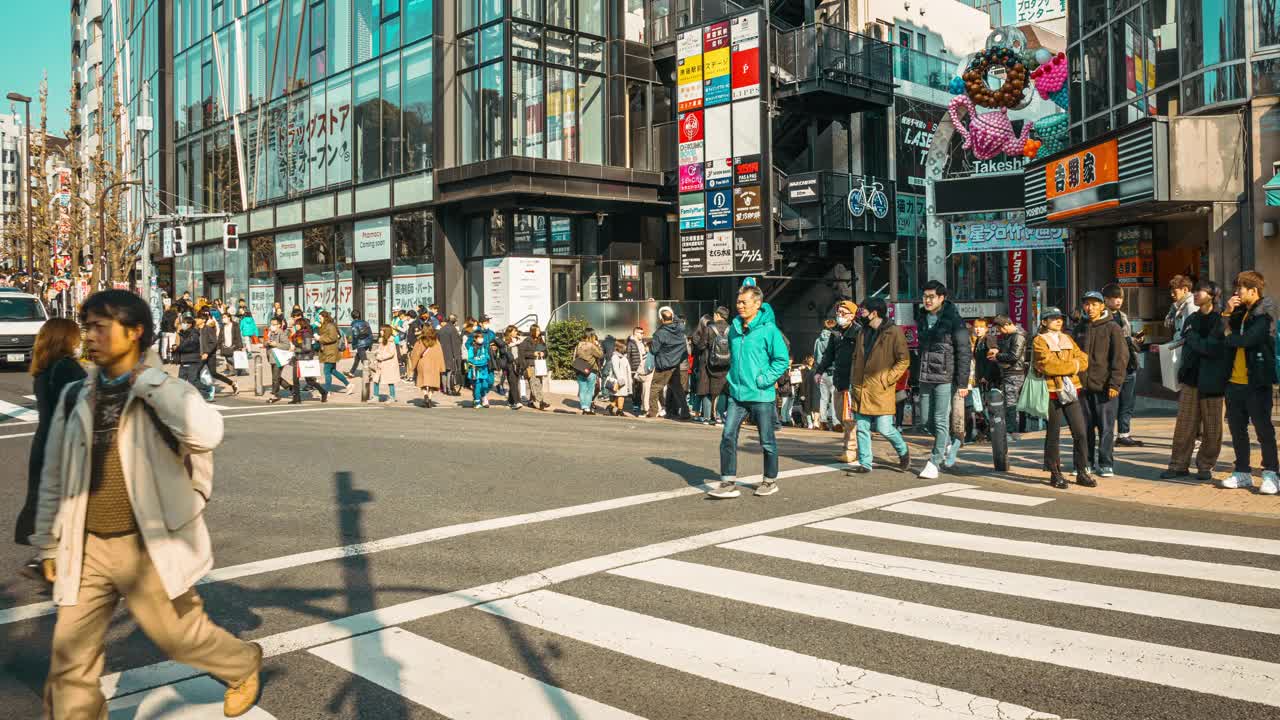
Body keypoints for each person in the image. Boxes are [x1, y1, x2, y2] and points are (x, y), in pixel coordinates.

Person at [30, 290, 264, 719]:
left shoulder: (164, 388)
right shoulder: (78, 395)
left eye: (101, 327)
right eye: (88, 329)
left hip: (149, 544)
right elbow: (56, 474)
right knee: (70, 658)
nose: (90, 338)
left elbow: (207, 433)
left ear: (135, 332)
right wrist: (48, 540)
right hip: (87, 546)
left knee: (180, 638)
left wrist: (145, 380)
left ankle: (242, 662)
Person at [15, 319, 87, 580]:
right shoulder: (66, 368)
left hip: (43, 439)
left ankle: (49, 556)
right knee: (69, 500)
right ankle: (49, 559)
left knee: (51, 499)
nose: (80, 341)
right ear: (66, 339)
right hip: (64, 440)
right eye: (77, 336)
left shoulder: (42, 367)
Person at [708, 284, 791, 499]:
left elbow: (781, 360)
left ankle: (770, 480)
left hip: (761, 394)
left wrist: (764, 379)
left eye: (744, 302)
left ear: (757, 304)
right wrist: (731, 380)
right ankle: (727, 481)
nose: (740, 306)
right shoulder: (734, 329)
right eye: (738, 302)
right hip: (737, 393)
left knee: (767, 441)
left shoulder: (769, 330)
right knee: (727, 435)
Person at [1221, 271, 1280, 494]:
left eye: (1240, 289)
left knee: (1263, 429)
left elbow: (1247, 340)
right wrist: (1228, 311)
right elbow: (1224, 333)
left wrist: (1229, 336)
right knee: (1238, 430)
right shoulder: (1242, 312)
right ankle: (1242, 472)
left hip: (1256, 381)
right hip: (1234, 381)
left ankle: (1271, 474)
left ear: (1253, 290)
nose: (1236, 292)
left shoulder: (1265, 312)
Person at [1162, 280, 1227, 482]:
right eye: (1196, 290)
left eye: (1201, 291)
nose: (1196, 294)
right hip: (1190, 378)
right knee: (1184, 425)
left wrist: (1193, 339)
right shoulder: (1191, 318)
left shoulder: (1220, 320)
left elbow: (1211, 348)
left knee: (1213, 426)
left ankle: (1205, 465)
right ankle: (1178, 465)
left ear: (1213, 296)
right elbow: (1186, 343)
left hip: (1214, 380)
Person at [844, 298, 911, 473]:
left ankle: (903, 451)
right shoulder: (862, 332)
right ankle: (865, 463)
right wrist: (853, 380)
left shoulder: (893, 332)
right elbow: (855, 358)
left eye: (863, 311)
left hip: (881, 388)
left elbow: (904, 360)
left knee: (885, 428)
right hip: (860, 386)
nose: (861, 314)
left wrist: (887, 379)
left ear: (874, 313)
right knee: (862, 428)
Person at [913, 282, 971, 479]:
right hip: (925, 376)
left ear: (941, 298)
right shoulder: (921, 318)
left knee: (939, 420)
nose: (927, 300)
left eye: (931, 296)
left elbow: (964, 352)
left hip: (945, 377)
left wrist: (963, 383)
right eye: (925, 296)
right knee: (925, 421)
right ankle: (949, 442)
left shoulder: (954, 320)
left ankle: (934, 462)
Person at [1033, 307, 1093, 489]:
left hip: (1071, 390)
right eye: (1053, 318)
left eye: (1060, 318)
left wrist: (1069, 365)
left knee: (1081, 432)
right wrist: (1073, 365)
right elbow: (1047, 366)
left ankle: (1082, 471)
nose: (1058, 321)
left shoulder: (1067, 338)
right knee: (1054, 435)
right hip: (1051, 391)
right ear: (1044, 322)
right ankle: (1055, 473)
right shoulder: (1039, 341)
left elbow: (1084, 360)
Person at [1076, 290, 1128, 477]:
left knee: (1106, 428)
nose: (1090, 308)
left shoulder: (1112, 327)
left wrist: (1115, 384)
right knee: (1084, 428)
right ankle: (1086, 461)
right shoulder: (1080, 327)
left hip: (1105, 387)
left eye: (1094, 304)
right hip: (1082, 387)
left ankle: (1106, 463)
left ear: (1102, 306)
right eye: (1087, 304)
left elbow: (1120, 357)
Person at [1102, 283, 1144, 448]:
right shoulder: (1102, 318)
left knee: (1127, 402)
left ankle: (1124, 434)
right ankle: (1108, 436)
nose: (1118, 301)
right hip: (1111, 368)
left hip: (1129, 364)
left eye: (1120, 297)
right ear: (1106, 300)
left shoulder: (1123, 316)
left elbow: (1126, 337)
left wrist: (1135, 339)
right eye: (1114, 298)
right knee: (1111, 404)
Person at [817, 302, 859, 450]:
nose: (839, 316)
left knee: (849, 418)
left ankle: (851, 449)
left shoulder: (858, 332)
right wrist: (819, 370)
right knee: (842, 417)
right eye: (838, 313)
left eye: (843, 313)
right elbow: (829, 354)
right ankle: (851, 446)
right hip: (838, 379)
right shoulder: (835, 333)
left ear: (852, 316)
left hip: (852, 381)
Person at [991, 315, 1028, 439]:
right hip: (1010, 373)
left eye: (1000, 329)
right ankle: (1014, 431)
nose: (1000, 332)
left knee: (1011, 404)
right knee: (1010, 403)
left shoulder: (1018, 336)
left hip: (1014, 373)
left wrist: (998, 356)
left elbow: (1014, 356)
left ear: (1006, 325)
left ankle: (1013, 431)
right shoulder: (1011, 336)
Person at [647, 307, 688, 419]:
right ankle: (685, 412)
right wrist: (673, 315)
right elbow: (680, 323)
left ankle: (652, 411)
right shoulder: (679, 330)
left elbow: (654, 350)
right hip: (675, 364)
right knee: (678, 389)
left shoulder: (660, 334)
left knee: (655, 388)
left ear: (661, 319)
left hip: (663, 365)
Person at [692, 309, 731, 425]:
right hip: (725, 364)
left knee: (707, 389)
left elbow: (701, 345)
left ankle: (707, 417)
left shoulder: (709, 328)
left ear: (718, 315)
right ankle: (719, 417)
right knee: (722, 391)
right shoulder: (731, 328)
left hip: (708, 363)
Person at [289, 316, 329, 403]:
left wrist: (295, 348)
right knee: (295, 379)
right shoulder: (298, 333)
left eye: (298, 324)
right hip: (298, 358)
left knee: (309, 381)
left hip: (305, 359)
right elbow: (296, 343)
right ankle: (296, 398)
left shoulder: (306, 334)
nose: (296, 326)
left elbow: (307, 348)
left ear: (302, 324)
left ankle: (323, 392)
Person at [198, 312, 238, 399]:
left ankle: (232, 383)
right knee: (195, 373)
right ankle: (203, 390)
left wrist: (207, 353)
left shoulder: (208, 329)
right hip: (201, 355)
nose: (196, 320)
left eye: (198, 318)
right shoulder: (198, 330)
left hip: (209, 355)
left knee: (214, 373)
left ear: (203, 320)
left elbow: (214, 343)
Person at [407, 325, 448, 408]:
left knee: (423, 381)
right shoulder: (436, 342)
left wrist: (413, 366)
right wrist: (442, 367)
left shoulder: (420, 341)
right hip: (434, 364)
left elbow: (415, 354)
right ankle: (429, 397)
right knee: (433, 382)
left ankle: (425, 394)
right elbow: (440, 355)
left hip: (422, 364)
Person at [316, 311, 352, 394]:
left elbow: (332, 338)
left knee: (327, 372)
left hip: (331, 351)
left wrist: (320, 338)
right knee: (333, 371)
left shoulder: (330, 326)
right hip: (328, 351)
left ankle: (326, 390)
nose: (319, 319)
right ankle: (348, 384)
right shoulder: (325, 325)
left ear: (325, 317)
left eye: (320, 317)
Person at [813, 319, 839, 430]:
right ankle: (835, 422)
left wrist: (819, 370)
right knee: (834, 398)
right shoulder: (836, 338)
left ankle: (822, 422)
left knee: (823, 398)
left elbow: (816, 356)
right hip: (834, 371)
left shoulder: (818, 340)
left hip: (822, 371)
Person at [265, 316, 295, 403]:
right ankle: (291, 388)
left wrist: (276, 344)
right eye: (271, 324)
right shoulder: (271, 333)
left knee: (275, 377)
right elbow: (266, 342)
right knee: (276, 376)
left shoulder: (281, 333)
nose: (272, 326)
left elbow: (286, 346)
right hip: (271, 357)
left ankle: (275, 394)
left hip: (278, 358)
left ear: (279, 325)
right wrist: (267, 343)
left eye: (274, 324)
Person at [175, 314, 207, 396]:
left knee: (193, 381)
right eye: (182, 323)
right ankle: (180, 397)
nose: (182, 325)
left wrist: (178, 348)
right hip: (183, 359)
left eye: (184, 323)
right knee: (180, 380)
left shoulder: (194, 334)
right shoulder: (182, 333)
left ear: (189, 324)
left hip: (193, 359)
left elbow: (189, 346)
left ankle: (207, 389)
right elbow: (178, 344)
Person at [521, 324, 551, 410]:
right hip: (530, 365)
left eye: (539, 330)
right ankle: (541, 402)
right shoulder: (527, 341)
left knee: (539, 384)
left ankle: (531, 401)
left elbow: (546, 351)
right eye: (536, 331)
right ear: (532, 331)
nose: (538, 332)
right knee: (534, 383)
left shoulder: (540, 340)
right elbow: (523, 353)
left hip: (540, 364)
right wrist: (532, 354)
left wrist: (543, 353)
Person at [574, 329, 604, 415]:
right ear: (592, 335)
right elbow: (600, 355)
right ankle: (587, 408)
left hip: (579, 369)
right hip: (591, 370)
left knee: (582, 389)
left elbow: (574, 356)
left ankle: (584, 407)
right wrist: (598, 346)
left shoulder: (578, 345)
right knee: (590, 390)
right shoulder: (592, 346)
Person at [370, 325, 401, 403]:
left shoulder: (391, 341)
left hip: (389, 364)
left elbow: (391, 353)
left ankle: (392, 397)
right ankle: (375, 396)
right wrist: (377, 352)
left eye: (382, 330)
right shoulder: (381, 340)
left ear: (386, 332)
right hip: (381, 364)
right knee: (376, 380)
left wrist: (381, 357)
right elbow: (381, 349)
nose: (380, 332)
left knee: (390, 381)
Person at [496, 326, 525, 409]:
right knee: (513, 383)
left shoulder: (518, 340)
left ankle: (510, 401)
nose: (516, 333)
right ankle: (517, 402)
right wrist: (514, 344)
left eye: (516, 331)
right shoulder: (504, 341)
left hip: (517, 364)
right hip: (508, 365)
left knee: (515, 382)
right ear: (510, 332)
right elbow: (503, 351)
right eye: (514, 331)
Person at [465, 331, 494, 408]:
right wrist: (479, 361)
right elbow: (470, 359)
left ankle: (483, 397)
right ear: (475, 339)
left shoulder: (484, 347)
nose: (481, 339)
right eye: (479, 338)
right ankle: (477, 401)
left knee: (485, 385)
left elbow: (487, 357)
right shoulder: (472, 348)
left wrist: (484, 360)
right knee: (477, 386)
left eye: (482, 337)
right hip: (476, 371)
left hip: (484, 370)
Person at [606, 340, 634, 416]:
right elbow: (615, 369)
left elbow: (627, 369)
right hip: (619, 379)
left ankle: (612, 406)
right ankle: (619, 410)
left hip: (624, 379)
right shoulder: (615, 357)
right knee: (620, 395)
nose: (626, 348)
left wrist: (629, 379)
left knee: (621, 395)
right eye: (624, 346)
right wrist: (620, 379)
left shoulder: (623, 357)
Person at [438, 314, 464, 395]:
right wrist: (456, 356)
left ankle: (445, 389)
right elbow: (456, 343)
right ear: (455, 321)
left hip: (441, 353)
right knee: (450, 372)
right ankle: (449, 389)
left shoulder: (442, 329)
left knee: (443, 372)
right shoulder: (453, 330)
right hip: (451, 353)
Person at [1166, 274, 1196, 340]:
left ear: (1185, 290)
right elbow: (1167, 324)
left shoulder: (1191, 305)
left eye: (1174, 292)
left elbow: (1192, 332)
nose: (1172, 295)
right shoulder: (1178, 305)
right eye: (1171, 292)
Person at [219, 311, 246, 379]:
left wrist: (240, 345)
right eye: (222, 318)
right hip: (225, 344)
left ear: (229, 318)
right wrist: (219, 344)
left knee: (233, 358)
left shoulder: (235, 325)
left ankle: (239, 369)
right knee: (227, 357)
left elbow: (238, 335)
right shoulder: (223, 326)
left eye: (224, 317)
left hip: (233, 343)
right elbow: (220, 335)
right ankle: (232, 371)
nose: (223, 319)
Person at [348, 310, 374, 377]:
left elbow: (356, 335)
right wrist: (371, 342)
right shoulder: (365, 322)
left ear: (352, 316)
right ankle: (351, 372)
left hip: (360, 344)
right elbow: (370, 332)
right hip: (367, 342)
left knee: (363, 360)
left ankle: (371, 372)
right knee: (357, 357)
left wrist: (353, 344)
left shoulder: (354, 324)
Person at [159, 298, 178, 362]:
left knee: (164, 345)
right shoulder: (175, 314)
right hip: (172, 331)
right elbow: (176, 323)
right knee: (172, 344)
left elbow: (162, 322)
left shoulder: (164, 313)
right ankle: (171, 358)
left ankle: (164, 358)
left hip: (165, 331)